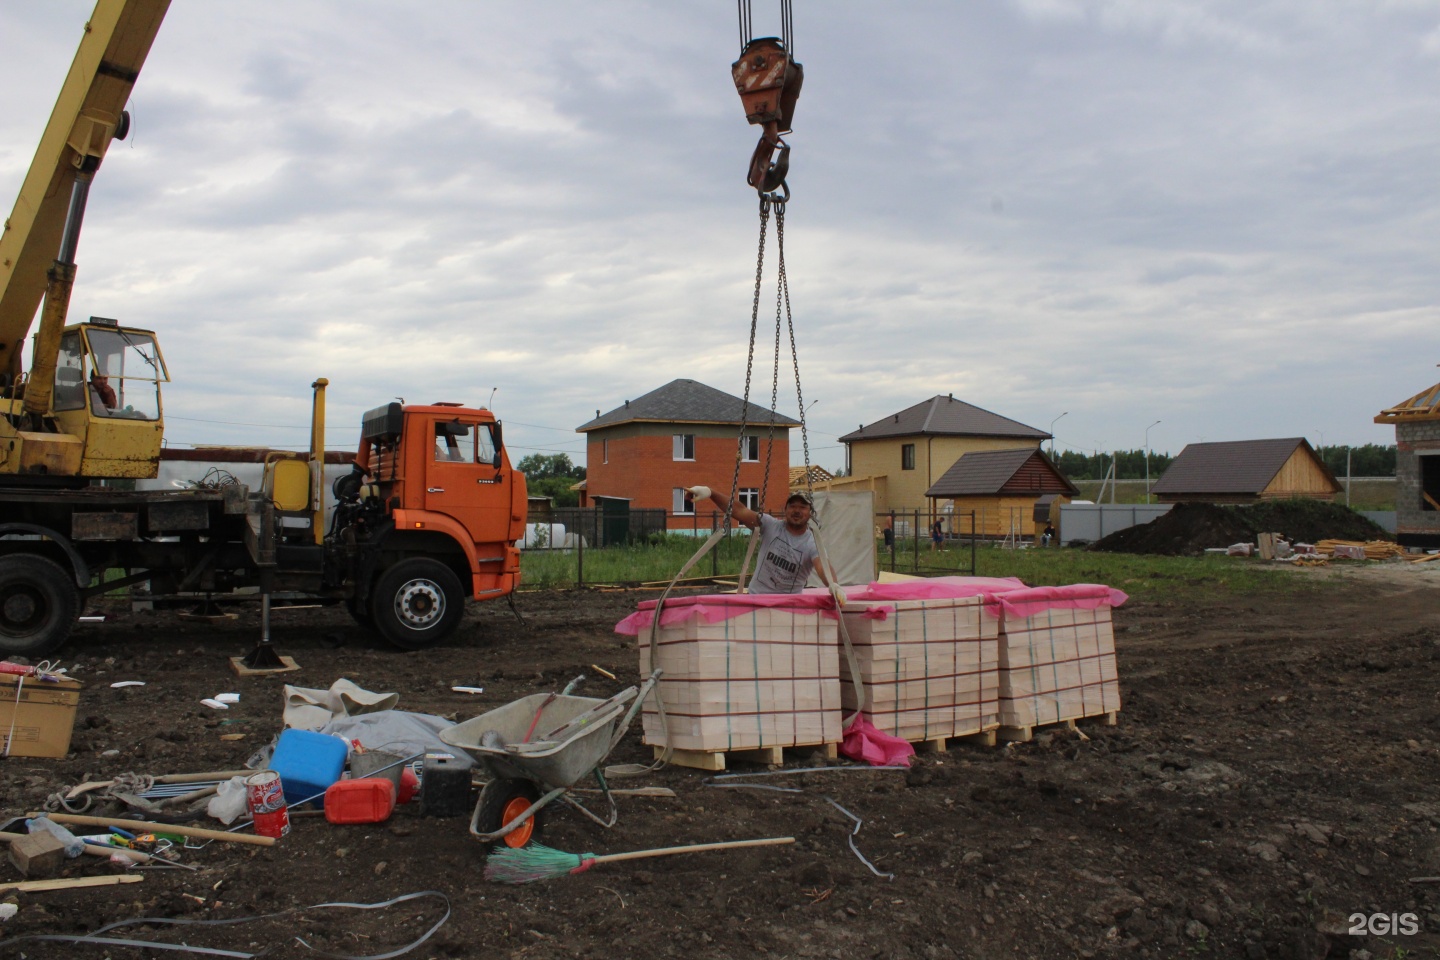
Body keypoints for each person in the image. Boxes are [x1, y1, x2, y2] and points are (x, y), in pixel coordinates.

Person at [686, 485, 832, 595]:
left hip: (788, 607)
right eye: (792, 506)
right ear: (785, 510)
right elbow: (739, 510)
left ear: (810, 512)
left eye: (802, 507)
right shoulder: (771, 526)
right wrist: (710, 492)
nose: (797, 511)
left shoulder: (811, 543)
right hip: (756, 600)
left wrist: (833, 585)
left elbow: (823, 566)